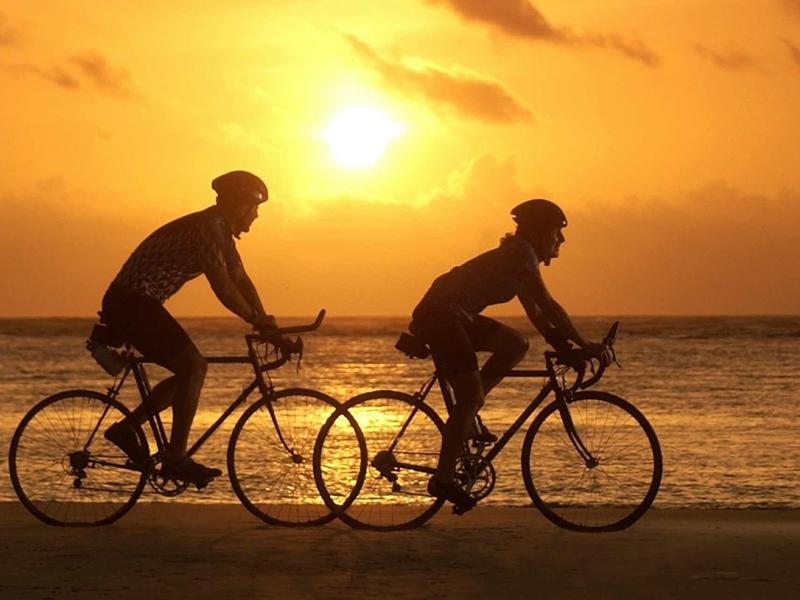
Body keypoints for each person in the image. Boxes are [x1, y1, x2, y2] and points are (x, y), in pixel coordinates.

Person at [410, 199, 607, 510]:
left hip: (457, 315)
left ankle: (469, 412)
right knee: (470, 397)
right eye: (557, 232)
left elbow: (538, 313)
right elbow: (550, 305)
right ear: (540, 233)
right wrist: (584, 343)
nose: (562, 240)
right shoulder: (521, 255)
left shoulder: (520, 258)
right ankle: (443, 480)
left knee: (516, 344)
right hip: (441, 316)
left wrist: (563, 345)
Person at [100, 170, 277, 485]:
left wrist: (264, 320)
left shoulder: (219, 229)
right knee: (194, 366)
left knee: (187, 371)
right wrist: (255, 319)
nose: (257, 216)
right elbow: (222, 286)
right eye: (255, 208)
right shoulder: (208, 228)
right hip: (132, 302)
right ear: (239, 206)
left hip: (140, 302)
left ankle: (127, 429)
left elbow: (239, 278)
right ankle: (175, 457)